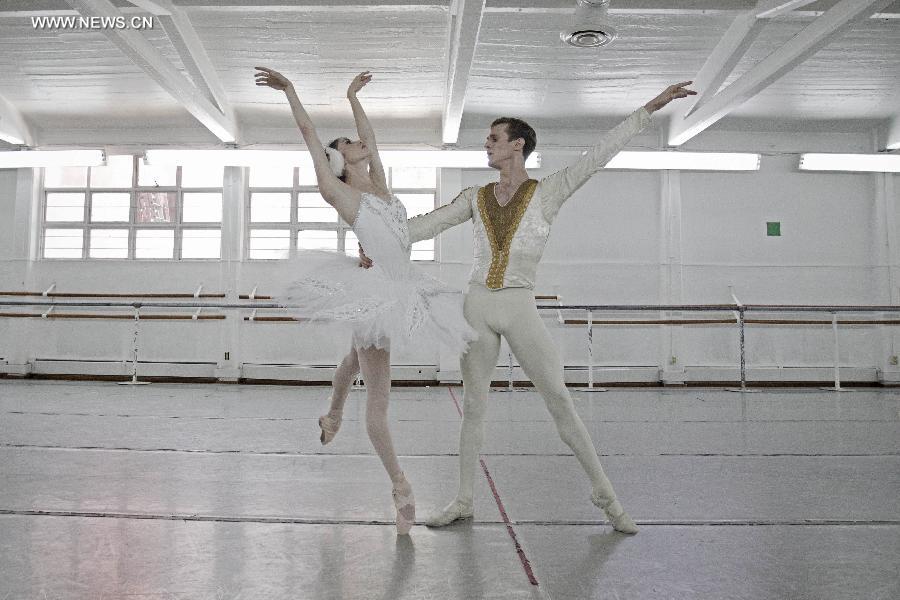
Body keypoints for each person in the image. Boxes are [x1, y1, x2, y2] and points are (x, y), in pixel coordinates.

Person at [361, 81, 697, 534]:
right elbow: (427, 225)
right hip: (476, 304)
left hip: (519, 303)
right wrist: (378, 244)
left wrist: (651, 108)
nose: (487, 145)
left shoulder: (550, 190)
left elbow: (599, 154)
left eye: (494, 139)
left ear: (517, 145)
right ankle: (464, 498)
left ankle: (607, 497)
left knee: (558, 398)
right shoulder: (475, 197)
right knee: (474, 406)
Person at [255, 67, 476, 535]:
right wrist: (292, 91)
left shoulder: (380, 186)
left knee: (355, 359)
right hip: (377, 296)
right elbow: (310, 136)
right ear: (338, 158)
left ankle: (333, 412)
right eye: (351, 143)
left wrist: (353, 96)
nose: (362, 143)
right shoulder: (340, 193)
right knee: (378, 404)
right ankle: (401, 487)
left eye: (360, 141)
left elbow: (372, 136)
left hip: (400, 284)